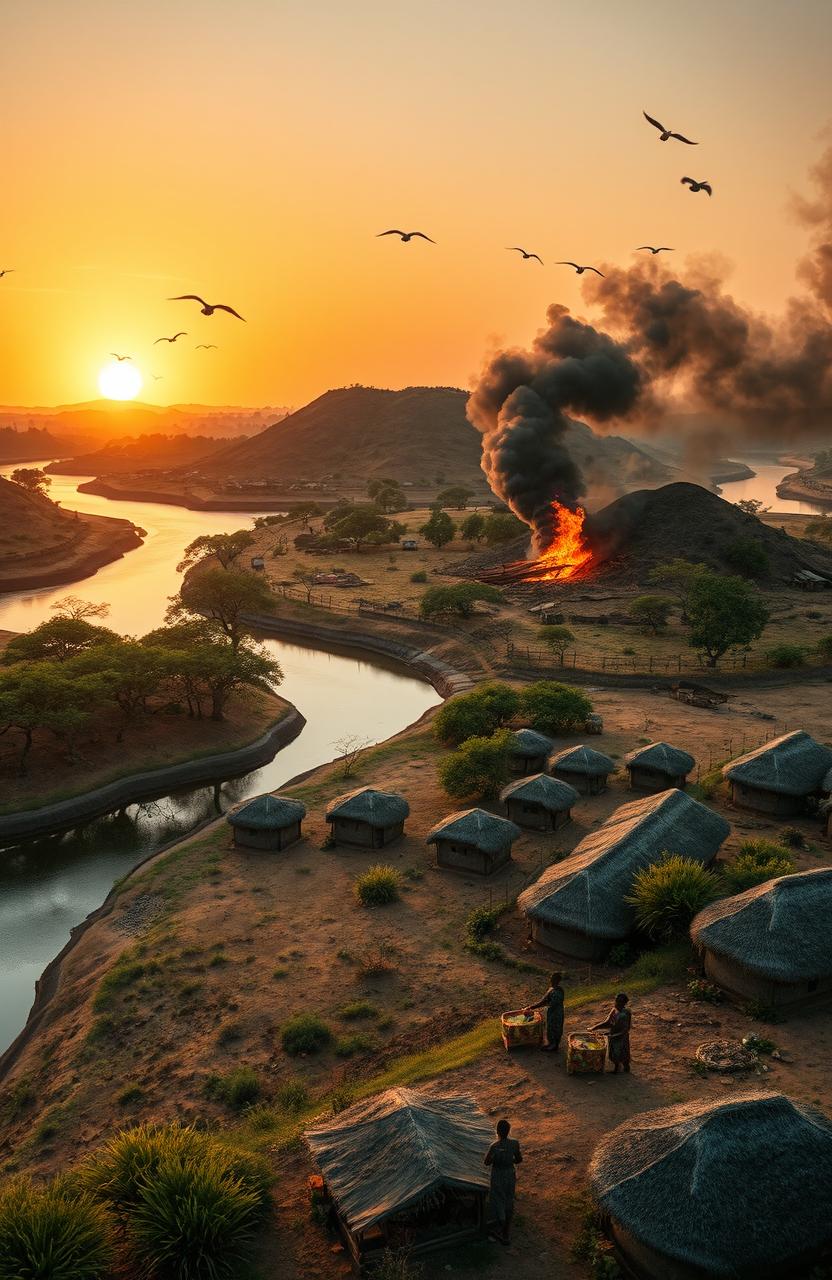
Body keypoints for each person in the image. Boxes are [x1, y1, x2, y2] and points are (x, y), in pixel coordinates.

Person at [484, 1118, 522, 1245]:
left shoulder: (494, 1146)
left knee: (498, 1200)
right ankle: (506, 1231)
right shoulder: (515, 1144)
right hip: (510, 1174)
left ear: (497, 1131)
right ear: (509, 1131)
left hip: (498, 1176)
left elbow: (486, 1162)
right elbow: (519, 1159)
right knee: (509, 1199)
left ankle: (503, 1230)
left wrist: (497, 1158)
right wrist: (509, 1161)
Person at [590, 992, 632, 1073]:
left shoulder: (625, 1013)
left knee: (622, 1054)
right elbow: (607, 1022)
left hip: (621, 1037)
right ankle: (618, 1068)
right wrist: (594, 1027)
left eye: (618, 1001)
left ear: (624, 1003)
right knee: (614, 1053)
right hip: (614, 1035)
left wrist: (612, 1035)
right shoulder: (614, 1010)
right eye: (616, 1000)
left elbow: (625, 1030)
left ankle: (623, 1069)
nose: (616, 1003)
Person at [523, 971, 565, 1052]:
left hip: (556, 1013)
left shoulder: (557, 991)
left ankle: (554, 1046)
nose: (551, 980)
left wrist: (535, 1008)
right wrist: (532, 1007)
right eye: (551, 978)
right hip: (553, 1011)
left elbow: (550, 1004)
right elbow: (543, 1001)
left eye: (552, 979)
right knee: (550, 1028)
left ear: (557, 980)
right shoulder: (552, 989)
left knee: (555, 1028)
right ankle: (551, 1044)